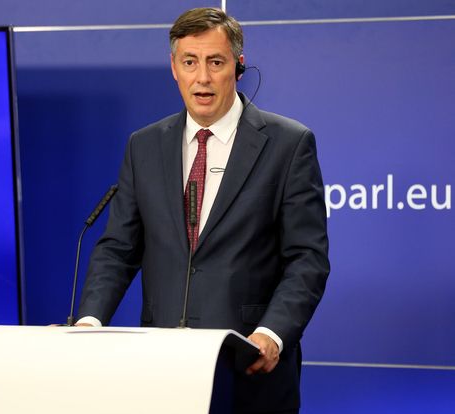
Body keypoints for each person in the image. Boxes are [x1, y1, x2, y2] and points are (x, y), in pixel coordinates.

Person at [76, 7, 330, 413]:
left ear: (238, 67)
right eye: (190, 62)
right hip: (162, 371)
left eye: (216, 62)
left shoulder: (289, 144)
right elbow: (118, 248)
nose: (203, 78)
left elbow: (307, 259)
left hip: (250, 367)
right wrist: (89, 322)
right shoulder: (143, 146)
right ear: (173, 68)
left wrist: (273, 333)